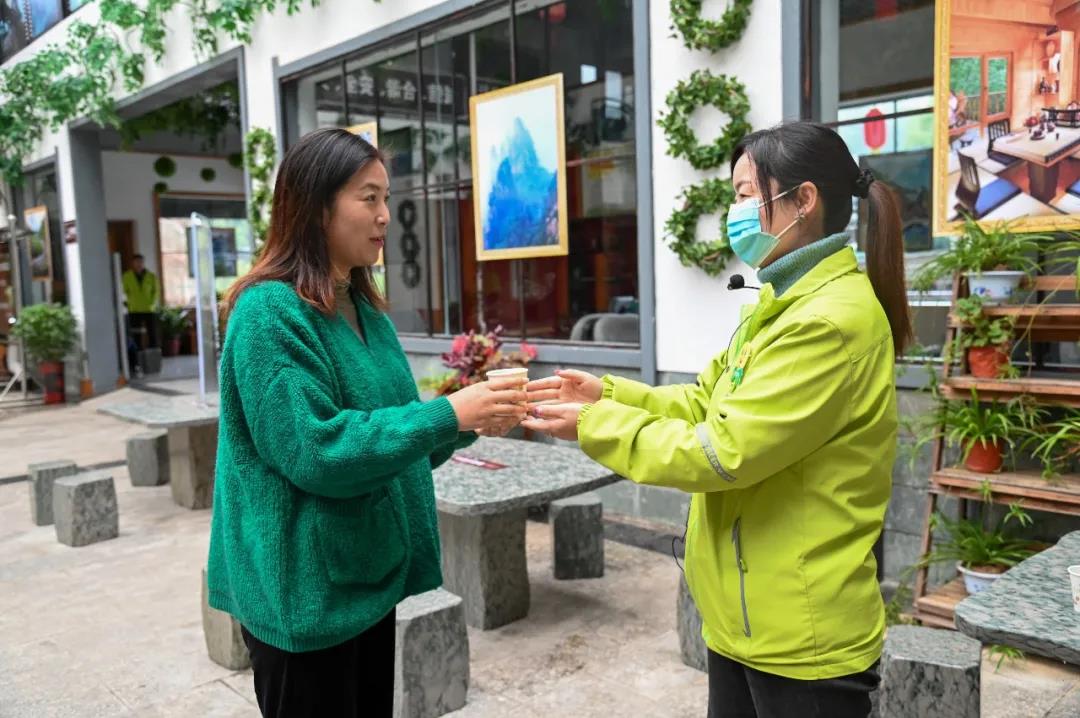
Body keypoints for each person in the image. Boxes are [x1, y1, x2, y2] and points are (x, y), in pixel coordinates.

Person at [523, 121, 911, 718]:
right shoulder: (780, 302)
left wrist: (594, 425)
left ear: (803, 200)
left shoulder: (826, 322)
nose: (735, 212)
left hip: (800, 635)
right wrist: (610, 393)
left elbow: (722, 451)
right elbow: (706, 401)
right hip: (747, 615)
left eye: (744, 194)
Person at [206, 128, 527, 718]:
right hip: (302, 592)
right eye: (369, 198)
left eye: (387, 199)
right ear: (316, 206)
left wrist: (474, 417)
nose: (384, 216)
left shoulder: (362, 306)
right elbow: (315, 451)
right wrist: (450, 413)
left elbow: (402, 432)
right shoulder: (268, 312)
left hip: (364, 575)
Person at [122, 254, 160, 373]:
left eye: (140, 262)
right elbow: (123, 292)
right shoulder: (127, 276)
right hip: (134, 310)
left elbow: (156, 292)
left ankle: (153, 362)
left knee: (153, 335)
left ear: (143, 263)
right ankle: (136, 363)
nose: (139, 264)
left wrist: (152, 304)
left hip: (149, 310)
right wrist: (128, 303)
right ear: (133, 263)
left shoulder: (151, 276)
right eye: (136, 262)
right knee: (135, 337)